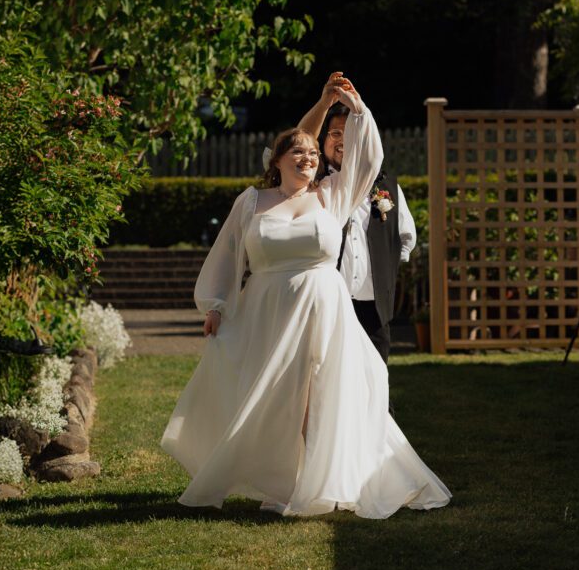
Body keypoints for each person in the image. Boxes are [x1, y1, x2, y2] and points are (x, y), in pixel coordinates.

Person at [161, 77, 451, 519]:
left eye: (314, 155)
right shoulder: (253, 202)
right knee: (277, 393)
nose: (309, 158)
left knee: (320, 393)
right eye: (299, 153)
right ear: (276, 161)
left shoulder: (332, 196)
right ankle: (280, 479)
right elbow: (225, 256)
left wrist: (357, 108)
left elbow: (369, 158)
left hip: (323, 308)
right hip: (268, 309)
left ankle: (316, 480)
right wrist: (216, 306)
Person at [299, 72, 417, 362]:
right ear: (323, 141)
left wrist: (383, 273)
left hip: (372, 306)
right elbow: (298, 141)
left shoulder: (385, 186)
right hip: (327, 304)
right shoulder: (312, 185)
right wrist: (324, 104)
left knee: (375, 381)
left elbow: (405, 238)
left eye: (350, 133)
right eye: (335, 133)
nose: (343, 140)